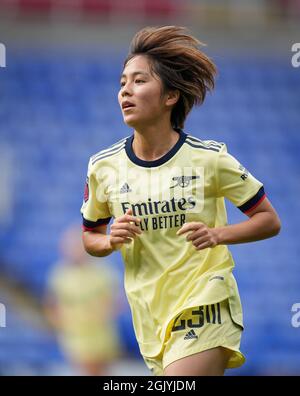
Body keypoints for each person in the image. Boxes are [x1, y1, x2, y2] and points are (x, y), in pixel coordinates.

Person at [81, 26, 281, 376]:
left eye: (139, 81)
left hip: (207, 302)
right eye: (122, 82)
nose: (126, 90)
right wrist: (110, 240)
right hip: (151, 315)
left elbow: (269, 220)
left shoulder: (210, 159)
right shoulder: (103, 167)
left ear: (170, 96)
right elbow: (90, 237)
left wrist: (219, 235)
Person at [44, 224, 121, 376]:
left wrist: (101, 314)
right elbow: (51, 305)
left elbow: (116, 300)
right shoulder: (60, 274)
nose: (75, 250)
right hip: (76, 338)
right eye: (71, 246)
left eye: (78, 245)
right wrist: (62, 323)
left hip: (102, 336)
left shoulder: (102, 271)